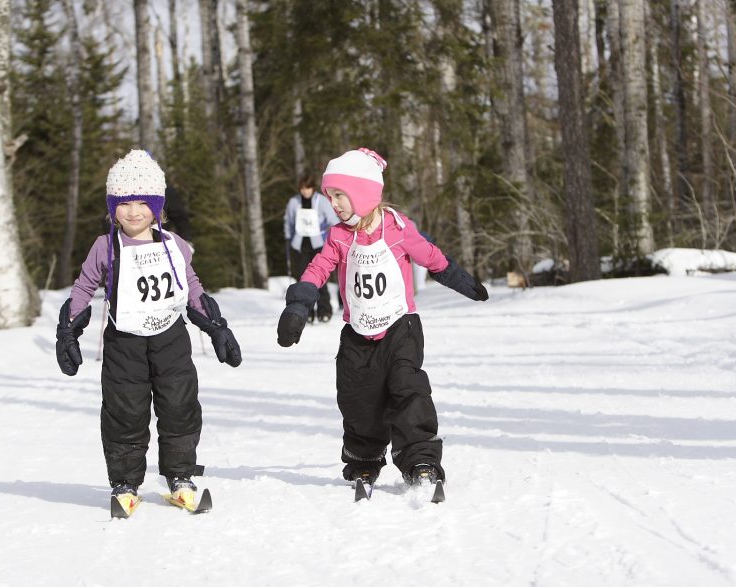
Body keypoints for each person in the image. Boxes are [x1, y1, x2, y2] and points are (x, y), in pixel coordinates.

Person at [276, 148, 488, 491]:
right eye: (331, 197)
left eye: (341, 195)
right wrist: (298, 307)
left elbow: (431, 257)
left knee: (409, 389)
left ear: (364, 194)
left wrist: (462, 280)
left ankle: (420, 458)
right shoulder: (339, 236)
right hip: (357, 333)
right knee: (357, 399)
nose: (335, 204)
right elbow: (317, 269)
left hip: (400, 327)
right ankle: (363, 460)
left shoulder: (399, 229)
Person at [55, 149, 242, 516]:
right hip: (125, 344)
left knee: (180, 408)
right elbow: (83, 288)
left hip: (170, 339)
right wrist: (68, 332)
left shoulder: (174, 245)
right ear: (113, 208)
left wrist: (216, 326)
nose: (134, 211)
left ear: (157, 205)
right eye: (124, 203)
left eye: (144, 202)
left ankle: (181, 478)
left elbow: (192, 287)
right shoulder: (105, 246)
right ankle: (125, 484)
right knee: (125, 412)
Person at [284, 173, 340, 322]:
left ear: (313, 188)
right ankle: (306, 313)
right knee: (303, 280)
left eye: (308, 188)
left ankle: (324, 310)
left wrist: (326, 233)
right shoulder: (294, 202)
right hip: (300, 245)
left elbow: (333, 220)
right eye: (303, 188)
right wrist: (289, 239)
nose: (305, 192)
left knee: (320, 279)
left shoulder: (321, 201)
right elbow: (288, 221)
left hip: (318, 245)